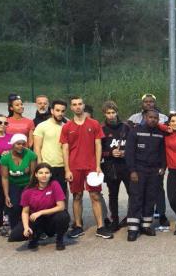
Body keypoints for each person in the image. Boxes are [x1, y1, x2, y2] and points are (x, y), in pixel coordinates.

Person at [60, 96, 113, 239]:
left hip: (91, 166)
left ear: (84, 105)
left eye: (80, 104)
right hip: (74, 167)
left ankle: (101, 227)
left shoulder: (94, 124)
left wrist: (97, 166)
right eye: (74, 104)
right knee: (77, 196)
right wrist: (67, 169)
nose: (77, 106)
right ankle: (78, 226)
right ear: (71, 108)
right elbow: (65, 149)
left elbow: (98, 145)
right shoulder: (66, 127)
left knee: (95, 195)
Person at [124, 110, 167, 241]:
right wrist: (132, 171)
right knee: (136, 198)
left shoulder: (160, 134)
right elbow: (129, 153)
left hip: (154, 171)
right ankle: (133, 228)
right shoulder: (135, 131)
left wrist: (163, 167)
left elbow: (163, 153)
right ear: (145, 117)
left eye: (155, 118)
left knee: (150, 198)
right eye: (150, 117)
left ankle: (146, 225)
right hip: (138, 170)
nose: (153, 120)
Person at [8, 163, 70, 250]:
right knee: (15, 236)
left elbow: (61, 206)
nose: (44, 175)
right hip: (36, 220)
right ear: (36, 175)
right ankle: (34, 238)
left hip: (51, 218)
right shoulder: (28, 191)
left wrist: (40, 212)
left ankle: (59, 240)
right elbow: (25, 212)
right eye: (40, 173)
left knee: (63, 216)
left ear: (50, 174)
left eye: (47, 173)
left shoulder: (54, 184)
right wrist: (26, 228)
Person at [100, 101, 131, 232]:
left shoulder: (126, 127)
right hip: (110, 166)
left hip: (126, 165)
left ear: (117, 112)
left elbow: (133, 145)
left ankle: (131, 217)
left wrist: (125, 152)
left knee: (133, 193)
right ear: (104, 114)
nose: (111, 115)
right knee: (113, 195)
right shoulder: (102, 129)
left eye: (113, 112)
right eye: (108, 113)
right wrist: (110, 152)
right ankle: (115, 220)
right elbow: (98, 150)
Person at [33, 99, 68, 204]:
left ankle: (62, 219)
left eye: (62, 111)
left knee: (62, 196)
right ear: (52, 111)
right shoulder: (42, 126)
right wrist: (40, 166)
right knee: (47, 197)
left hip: (62, 167)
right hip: (47, 167)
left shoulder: (67, 126)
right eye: (57, 110)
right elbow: (37, 148)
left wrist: (68, 168)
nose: (60, 113)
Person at [0, 134, 38, 229]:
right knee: (15, 206)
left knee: (28, 206)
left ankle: (32, 228)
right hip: (14, 184)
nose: (21, 146)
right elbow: (4, 178)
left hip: (27, 184)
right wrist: (6, 195)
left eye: (23, 144)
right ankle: (15, 228)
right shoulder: (5, 158)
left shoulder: (31, 155)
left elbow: (33, 174)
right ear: (12, 144)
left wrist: (30, 189)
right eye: (18, 144)